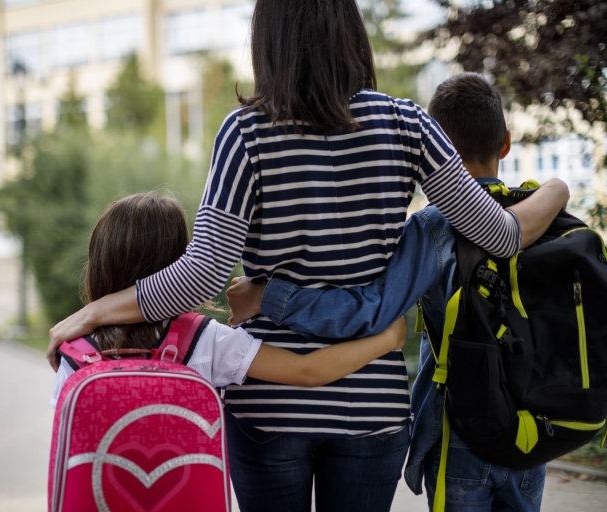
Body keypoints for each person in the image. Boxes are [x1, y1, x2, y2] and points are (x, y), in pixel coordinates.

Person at [46, 1, 568, 509]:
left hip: (271, 409)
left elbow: (201, 277)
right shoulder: (409, 125)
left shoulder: (245, 134)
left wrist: (94, 311)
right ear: (351, 31)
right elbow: (501, 236)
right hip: (372, 405)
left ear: (268, 40)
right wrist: (559, 189)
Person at [226, 72, 551, 512]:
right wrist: (558, 189)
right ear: (506, 142)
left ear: (441, 151)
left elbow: (373, 309)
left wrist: (267, 297)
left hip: (459, 432)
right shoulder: (546, 219)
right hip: (532, 433)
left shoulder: (437, 229)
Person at [49, 192, 407, 409]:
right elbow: (308, 371)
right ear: (178, 264)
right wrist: (388, 338)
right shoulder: (202, 340)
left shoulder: (76, 351)